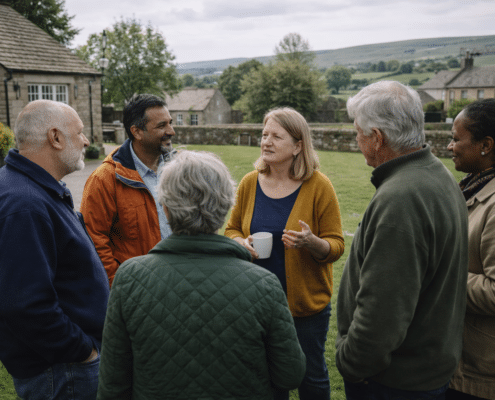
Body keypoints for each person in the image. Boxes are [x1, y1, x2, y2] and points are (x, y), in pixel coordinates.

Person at [96, 150, 306, 400]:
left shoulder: (129, 278)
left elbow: (112, 383)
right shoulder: (264, 284)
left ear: (165, 207)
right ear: (227, 205)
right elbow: (290, 374)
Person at [335, 81, 469, 400]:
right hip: (426, 372)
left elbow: (382, 314)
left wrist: (350, 363)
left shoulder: (401, 199)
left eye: (359, 133)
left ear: (378, 138)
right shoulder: (437, 174)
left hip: (395, 382)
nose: (357, 141)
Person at [225, 107, 345, 400]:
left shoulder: (319, 186)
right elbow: (231, 230)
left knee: (311, 378)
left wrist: (312, 242)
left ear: (298, 145)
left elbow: (337, 245)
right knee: (267, 381)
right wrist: (240, 243)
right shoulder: (249, 182)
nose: (266, 141)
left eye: (276, 136)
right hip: (257, 305)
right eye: (264, 135)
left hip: (305, 308)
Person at [0, 100, 110, 400]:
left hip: (64, 366)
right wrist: (83, 351)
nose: (86, 141)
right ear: (56, 138)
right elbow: (26, 305)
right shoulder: (25, 203)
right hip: (62, 370)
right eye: (80, 133)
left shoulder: (35, 188)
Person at [81, 93, 175, 286]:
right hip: (139, 291)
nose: (171, 131)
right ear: (137, 132)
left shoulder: (182, 168)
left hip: (182, 284)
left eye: (170, 123)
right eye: (161, 125)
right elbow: (95, 242)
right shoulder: (104, 179)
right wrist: (122, 288)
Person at [445, 98, 495, 400]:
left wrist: (442, 275)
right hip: (459, 358)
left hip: (479, 372)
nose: (450, 147)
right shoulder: (473, 187)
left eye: (456, 139)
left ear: (486, 144)